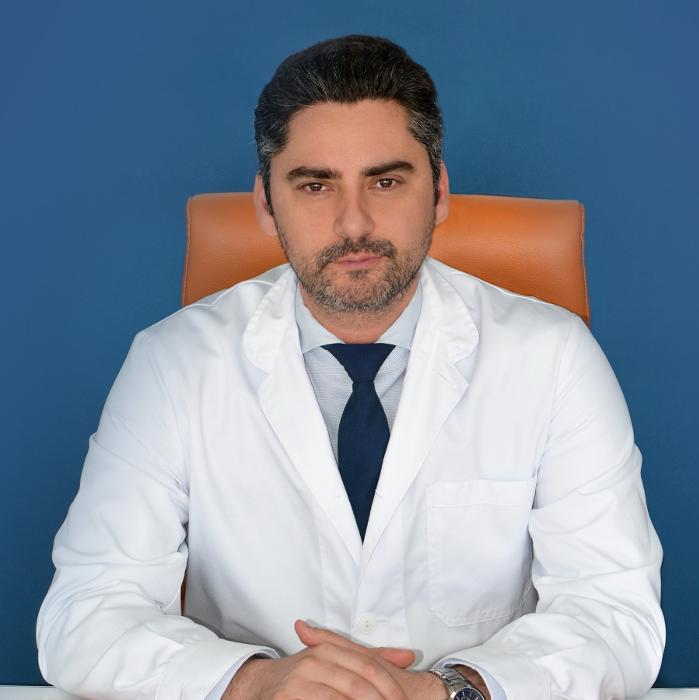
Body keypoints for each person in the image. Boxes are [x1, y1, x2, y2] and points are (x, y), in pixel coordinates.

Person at [37, 35, 665, 700]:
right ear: (265, 203)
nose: (354, 223)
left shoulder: (553, 356)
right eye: (315, 185)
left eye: (386, 181)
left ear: (439, 191)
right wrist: (254, 683)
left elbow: (615, 613)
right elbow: (86, 613)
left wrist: (447, 691)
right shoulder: (173, 363)